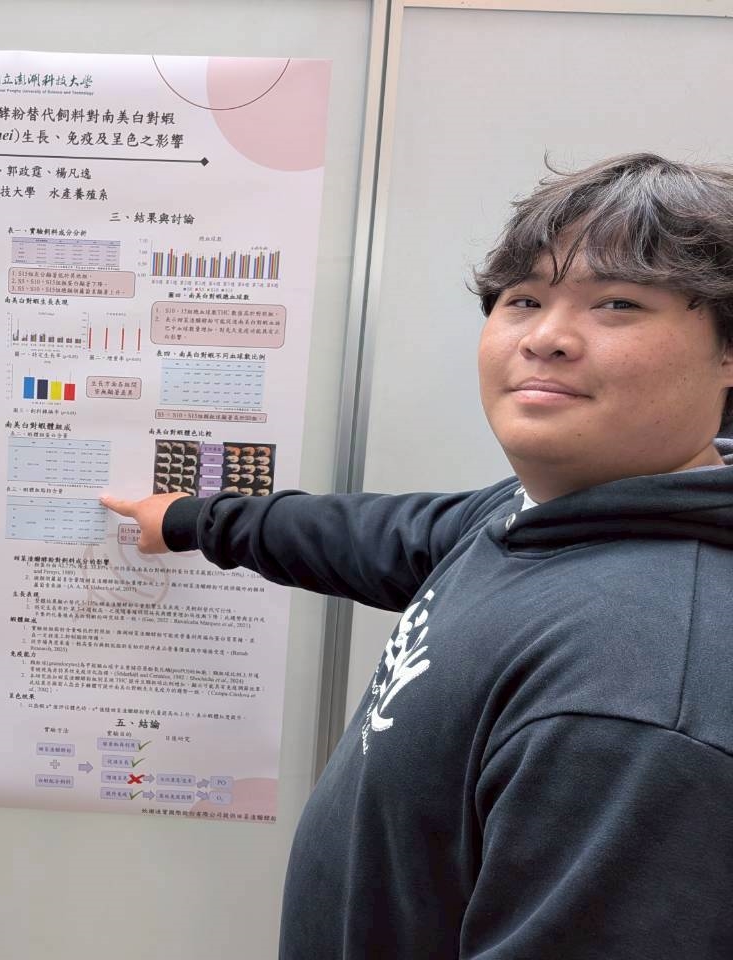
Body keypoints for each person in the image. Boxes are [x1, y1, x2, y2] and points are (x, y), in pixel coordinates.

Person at [104, 153, 733, 958]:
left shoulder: (635, 700)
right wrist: (195, 520)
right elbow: (383, 536)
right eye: (524, 299)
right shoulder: (547, 517)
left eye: (618, 303)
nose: (547, 337)